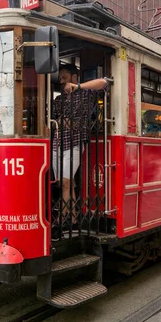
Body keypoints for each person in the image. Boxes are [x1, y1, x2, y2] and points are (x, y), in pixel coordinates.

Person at [52, 64, 108, 228]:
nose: (61, 76)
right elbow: (56, 120)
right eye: (60, 74)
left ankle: (61, 220)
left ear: (74, 77)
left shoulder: (84, 94)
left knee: (66, 182)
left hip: (75, 142)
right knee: (63, 183)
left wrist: (77, 87)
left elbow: (103, 83)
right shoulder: (59, 99)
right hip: (58, 143)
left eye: (65, 74)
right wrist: (61, 123)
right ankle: (75, 218)